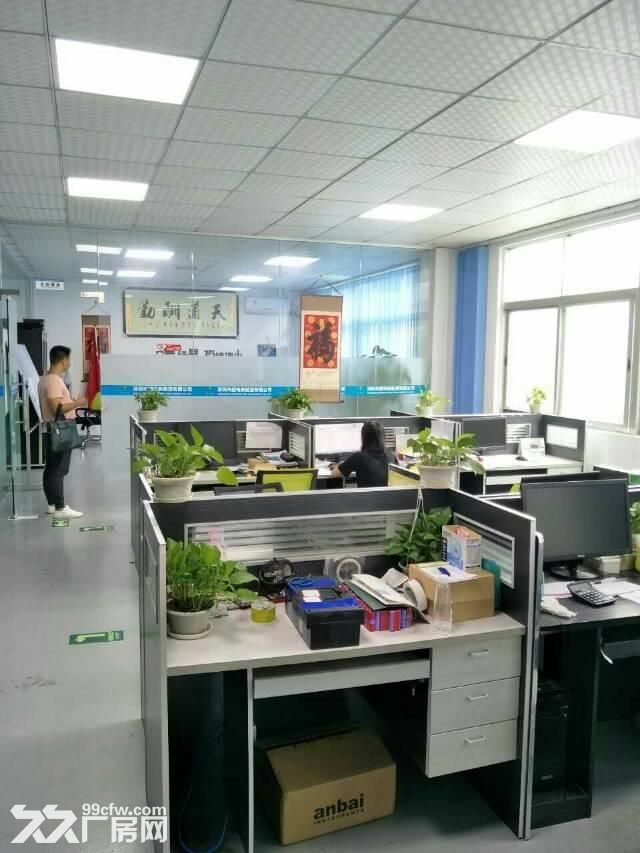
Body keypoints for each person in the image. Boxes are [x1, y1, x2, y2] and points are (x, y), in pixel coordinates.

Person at [38, 346, 86, 519]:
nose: (70, 363)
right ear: (63, 360)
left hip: (52, 429)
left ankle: (52, 505)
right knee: (59, 470)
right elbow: (56, 408)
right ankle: (60, 508)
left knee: (51, 468)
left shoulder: (45, 379)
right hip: (59, 430)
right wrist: (78, 403)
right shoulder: (53, 381)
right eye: (69, 359)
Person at [330, 422, 392, 488]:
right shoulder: (389, 455)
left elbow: (334, 474)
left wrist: (339, 466)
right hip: (383, 494)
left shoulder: (359, 457)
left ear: (364, 438)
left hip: (365, 495)